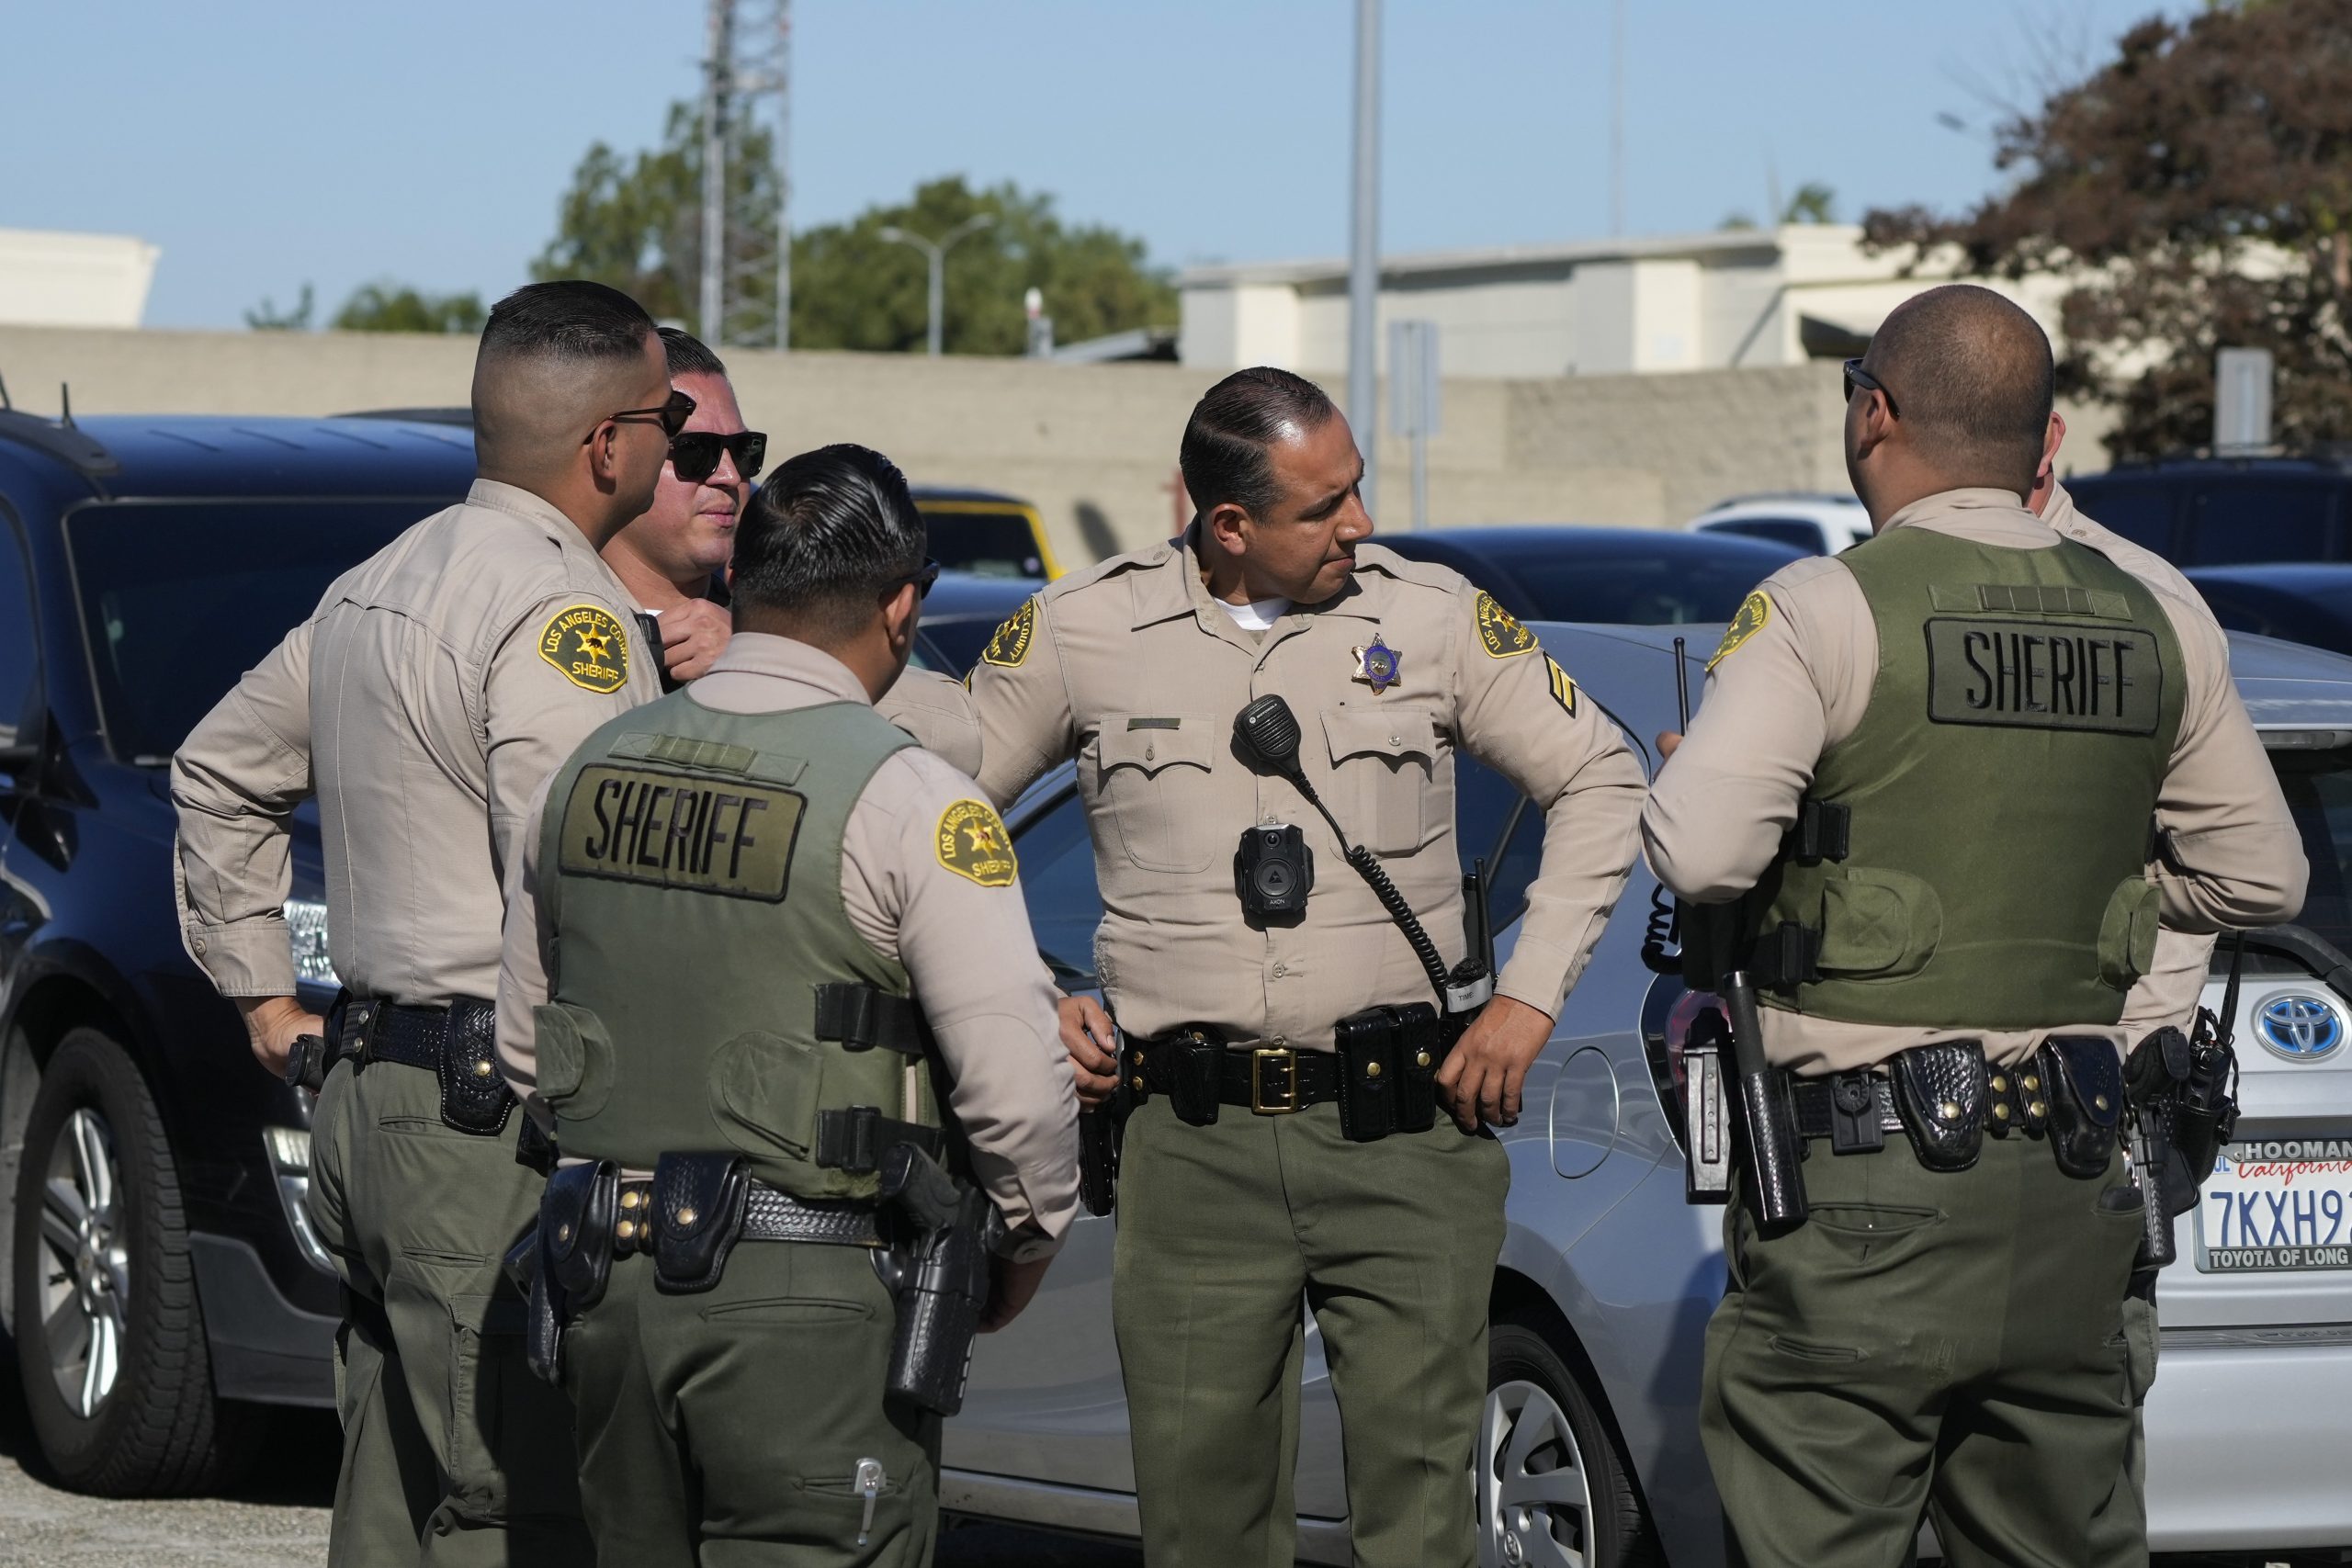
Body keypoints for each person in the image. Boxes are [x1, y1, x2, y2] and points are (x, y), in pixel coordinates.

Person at [1644, 284, 2307, 1568]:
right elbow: (2260, 875)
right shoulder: (2155, 611)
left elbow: (1703, 851)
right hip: (2076, 1190)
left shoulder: (1825, 607)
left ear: (1876, 415)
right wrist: (2091, 889)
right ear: (2039, 434)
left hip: (1864, 1196)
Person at [966, 367, 1647, 1568]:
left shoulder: (1429, 617)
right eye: (1325, 503)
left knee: (1422, 1514)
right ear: (1230, 524)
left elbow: (1600, 776)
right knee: (1202, 1516)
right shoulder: (1088, 629)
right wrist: (1033, 994)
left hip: (1402, 1137)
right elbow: (932, 813)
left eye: (1359, 489)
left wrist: (1529, 995)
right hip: (1192, 1146)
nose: (1361, 524)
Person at [493, 442, 1080, 1564]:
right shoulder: (911, 798)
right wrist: (1024, 1240)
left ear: (741, 582)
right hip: (811, 1304)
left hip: (602, 1286)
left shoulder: (588, 771)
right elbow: (1016, 1092)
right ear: (902, 607)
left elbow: (529, 1053)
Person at [172, 279, 676, 1565]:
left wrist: (264, 995)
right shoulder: (561, 611)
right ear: (608, 443)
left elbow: (216, 769)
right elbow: (577, 875)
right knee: (513, 1500)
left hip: (367, 1096)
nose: (676, 443)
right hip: (491, 1124)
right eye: (667, 415)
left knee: (395, 1491)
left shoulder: (373, 585)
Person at [2029, 411, 2219, 1553]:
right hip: (1916, 1150)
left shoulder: (2143, 601)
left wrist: (2118, 1061)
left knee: (2078, 1498)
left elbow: (2222, 866)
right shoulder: (1874, 590)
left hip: (2088, 1129)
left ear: (2046, 435)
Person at [597, 326, 749, 690]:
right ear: (611, 454)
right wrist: (640, 654)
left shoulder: (780, 635)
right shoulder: (542, 616)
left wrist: (756, 665)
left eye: (744, 451)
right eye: (696, 451)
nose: (729, 475)